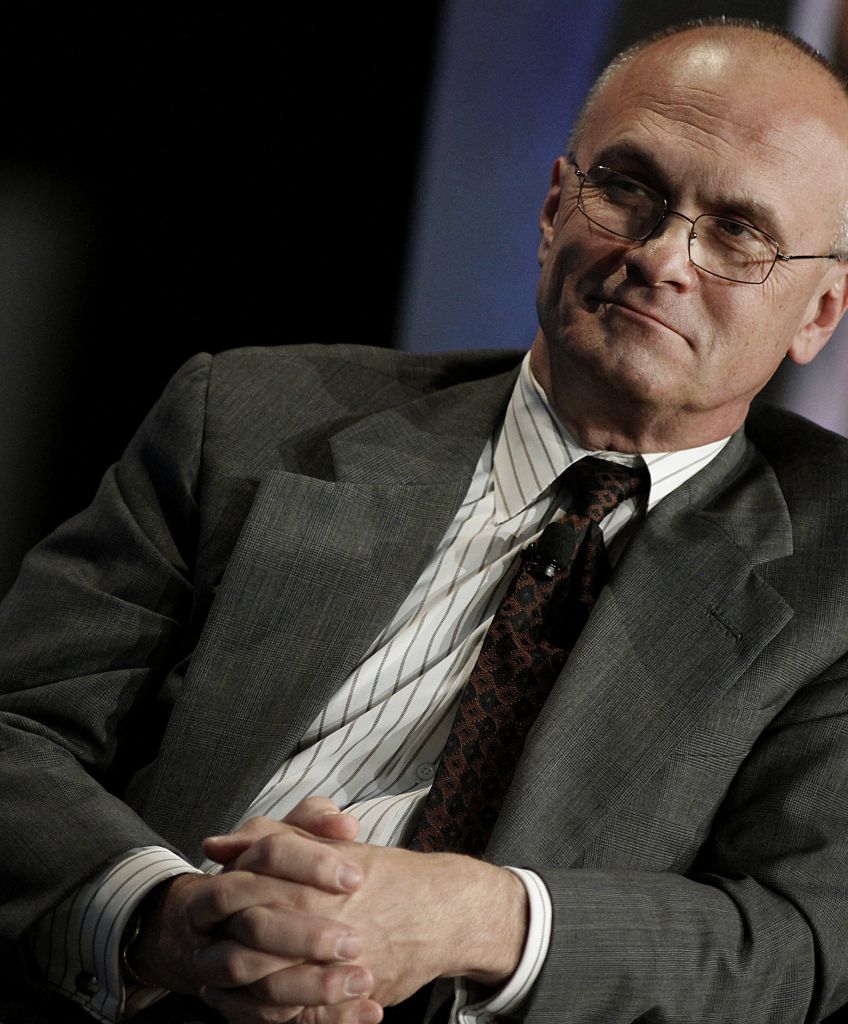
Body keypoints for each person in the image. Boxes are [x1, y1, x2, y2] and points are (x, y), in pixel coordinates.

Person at [3, 15, 848, 1024]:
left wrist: (476, 920)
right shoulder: (245, 419)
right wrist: (160, 917)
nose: (661, 256)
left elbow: (795, 933)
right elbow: (19, 729)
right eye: (628, 189)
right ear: (550, 207)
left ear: (816, 316)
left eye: (736, 232)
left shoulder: (832, 569)